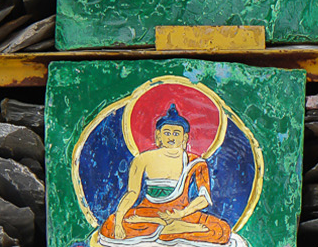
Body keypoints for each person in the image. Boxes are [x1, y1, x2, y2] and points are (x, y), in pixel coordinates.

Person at [94, 105, 233, 246]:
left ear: (185, 137)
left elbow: (203, 199)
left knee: (221, 229)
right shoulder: (142, 159)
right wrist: (118, 220)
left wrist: (181, 214)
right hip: (148, 212)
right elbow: (132, 193)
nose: (171, 137)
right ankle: (171, 227)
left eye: (176, 133)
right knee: (109, 227)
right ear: (158, 135)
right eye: (167, 133)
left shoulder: (196, 163)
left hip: (182, 214)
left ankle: (168, 226)